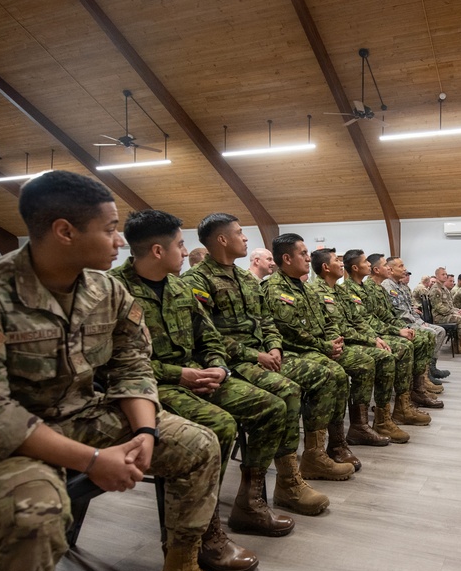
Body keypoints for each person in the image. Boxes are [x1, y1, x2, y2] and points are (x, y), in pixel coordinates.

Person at [0, 171, 244, 571]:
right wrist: (91, 461)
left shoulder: (105, 291)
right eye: (109, 229)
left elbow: (133, 365)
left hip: (82, 416)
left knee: (197, 443)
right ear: (65, 231)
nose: (117, 241)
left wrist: (145, 434)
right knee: (33, 512)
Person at [111, 210, 313, 541]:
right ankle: (203, 528)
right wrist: (183, 374)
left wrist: (218, 366)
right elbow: (118, 363)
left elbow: (209, 338)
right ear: (159, 251)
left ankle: (250, 502)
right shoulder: (117, 290)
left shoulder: (177, 288)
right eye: (180, 244)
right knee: (221, 425)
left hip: (198, 375)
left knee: (273, 407)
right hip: (151, 384)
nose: (186, 251)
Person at [183, 213, 357, 479]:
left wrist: (274, 348)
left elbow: (267, 321)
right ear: (221, 239)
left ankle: (315, 455)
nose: (245, 237)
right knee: (288, 392)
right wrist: (258, 354)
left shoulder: (244, 279)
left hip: (265, 354)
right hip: (233, 361)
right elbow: (207, 335)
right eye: (239, 232)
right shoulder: (197, 280)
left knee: (327, 375)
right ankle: (285, 478)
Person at [263, 234, 382, 454]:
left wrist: (332, 342)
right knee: (334, 374)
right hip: (295, 350)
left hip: (319, 346)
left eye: (308, 254)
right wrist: (325, 346)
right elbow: (291, 332)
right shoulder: (274, 288)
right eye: (304, 254)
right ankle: (321, 449)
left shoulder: (306, 288)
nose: (309, 259)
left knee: (355, 366)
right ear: (287, 259)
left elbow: (328, 321)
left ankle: (343, 438)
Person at [309, 248, 419, 442]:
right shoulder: (317, 291)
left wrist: (375, 339)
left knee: (388, 353)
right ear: (326, 267)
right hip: (336, 344)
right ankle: (360, 426)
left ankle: (384, 417)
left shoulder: (339, 290)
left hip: (353, 339)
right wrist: (371, 340)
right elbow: (338, 327)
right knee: (373, 360)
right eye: (337, 260)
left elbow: (358, 320)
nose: (341, 263)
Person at [355, 253, 443, 409]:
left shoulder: (379, 288)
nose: (388, 268)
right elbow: (370, 319)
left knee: (424, 338)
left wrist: (401, 328)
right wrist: (398, 330)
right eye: (385, 265)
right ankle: (402, 399)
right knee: (409, 344)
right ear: (376, 269)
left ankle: (417, 388)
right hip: (376, 333)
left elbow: (388, 315)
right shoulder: (369, 288)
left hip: (386, 328)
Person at [384, 258, 449, 381]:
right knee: (431, 332)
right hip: (402, 324)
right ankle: (423, 374)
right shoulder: (388, 286)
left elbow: (410, 309)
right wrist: (419, 324)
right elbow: (400, 313)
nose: (405, 269)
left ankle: (431, 367)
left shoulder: (401, 286)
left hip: (412, 321)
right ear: (391, 269)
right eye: (401, 266)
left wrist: (421, 322)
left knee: (440, 331)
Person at [430, 269, 461, 353]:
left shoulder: (444, 289)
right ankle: (456, 343)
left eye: (446, 274)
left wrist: (458, 310)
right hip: (439, 317)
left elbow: (450, 306)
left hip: (447, 314)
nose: (445, 276)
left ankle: (460, 342)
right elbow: (439, 308)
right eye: (443, 274)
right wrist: (454, 312)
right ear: (437, 276)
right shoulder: (436, 289)